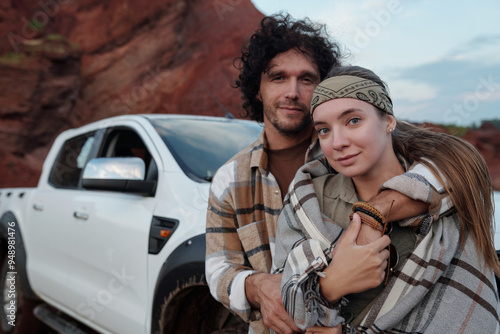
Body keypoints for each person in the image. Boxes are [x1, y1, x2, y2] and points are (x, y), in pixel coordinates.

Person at [205, 14, 440, 334]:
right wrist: (257, 286)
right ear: (257, 89)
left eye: (306, 79)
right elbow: (218, 268)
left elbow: (452, 164)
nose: (292, 92)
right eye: (278, 78)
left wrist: (380, 207)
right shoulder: (230, 179)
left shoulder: (353, 150)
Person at [273, 65, 500, 333]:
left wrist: (372, 214)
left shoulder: (453, 188)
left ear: (389, 121)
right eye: (324, 130)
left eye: (353, 120)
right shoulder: (306, 201)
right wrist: (330, 285)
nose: (337, 142)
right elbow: (286, 308)